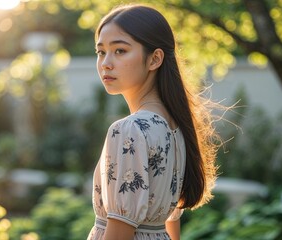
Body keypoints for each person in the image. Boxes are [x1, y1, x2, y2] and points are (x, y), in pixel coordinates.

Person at [87, 4, 218, 240]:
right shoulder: (176, 128)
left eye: (119, 51)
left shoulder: (128, 130)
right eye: (101, 52)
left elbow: (119, 234)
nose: (106, 62)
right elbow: (172, 228)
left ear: (154, 59)